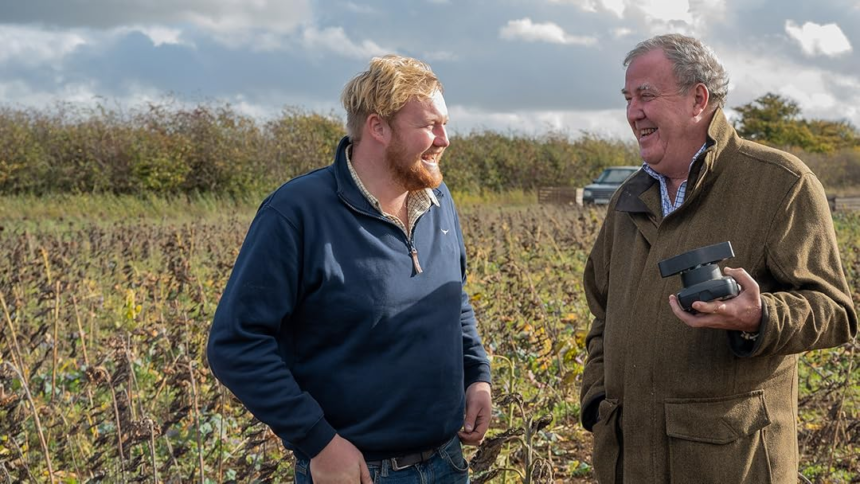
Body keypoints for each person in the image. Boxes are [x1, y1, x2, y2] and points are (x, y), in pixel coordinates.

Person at [580, 33, 857, 483]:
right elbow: (603, 316)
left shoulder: (780, 184)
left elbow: (835, 312)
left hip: (727, 464)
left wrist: (760, 316)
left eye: (646, 96)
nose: (633, 112)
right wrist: (596, 399)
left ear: (698, 99)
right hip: (627, 464)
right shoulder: (628, 199)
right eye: (628, 98)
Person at [207, 54, 492, 484]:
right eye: (429, 125)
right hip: (357, 471)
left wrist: (477, 376)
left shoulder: (437, 199)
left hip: (447, 462)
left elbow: (453, 296)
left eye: (445, 123)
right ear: (378, 127)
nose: (444, 139)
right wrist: (318, 441)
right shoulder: (297, 213)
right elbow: (236, 343)